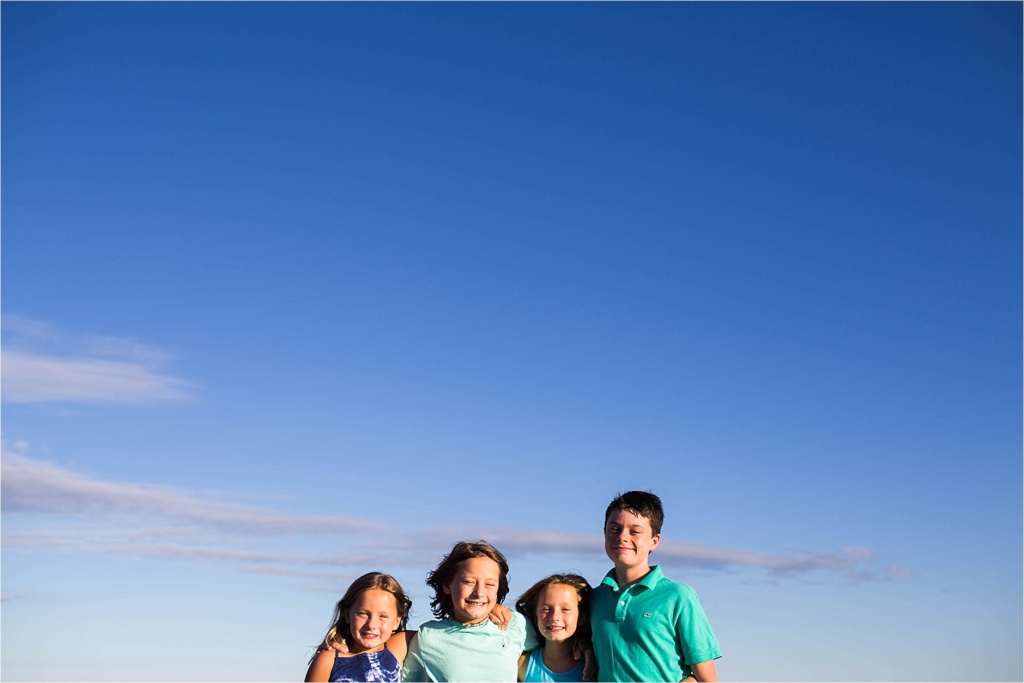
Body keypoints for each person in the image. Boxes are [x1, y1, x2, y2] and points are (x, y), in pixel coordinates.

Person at [591, 491, 722, 682]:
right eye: (614, 529)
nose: (622, 537)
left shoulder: (679, 597)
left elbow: (707, 679)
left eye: (635, 531)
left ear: (654, 541)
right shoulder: (593, 599)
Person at [402, 540, 538, 682]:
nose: (479, 593)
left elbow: (554, 653)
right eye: (469, 582)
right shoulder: (428, 638)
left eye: (489, 584)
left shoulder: (515, 623)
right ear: (447, 585)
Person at [306, 571, 414, 682]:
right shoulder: (328, 661)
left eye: (383, 616)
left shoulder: (399, 647)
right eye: (363, 614)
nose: (371, 625)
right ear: (347, 614)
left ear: (396, 621)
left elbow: (431, 634)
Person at [514, 574, 592, 682]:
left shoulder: (595, 664)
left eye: (565, 609)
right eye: (546, 609)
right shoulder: (522, 665)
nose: (555, 617)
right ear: (536, 618)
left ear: (581, 618)